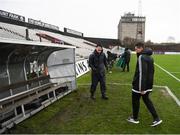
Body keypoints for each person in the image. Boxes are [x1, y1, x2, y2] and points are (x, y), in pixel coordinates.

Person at [127, 42, 162, 127]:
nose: (135, 51)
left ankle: (135, 118)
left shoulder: (142, 57)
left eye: (136, 49)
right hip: (148, 84)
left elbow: (142, 73)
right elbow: (151, 72)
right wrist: (148, 86)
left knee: (135, 101)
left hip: (139, 85)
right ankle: (156, 118)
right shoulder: (150, 57)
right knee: (147, 100)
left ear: (141, 48)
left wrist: (142, 88)